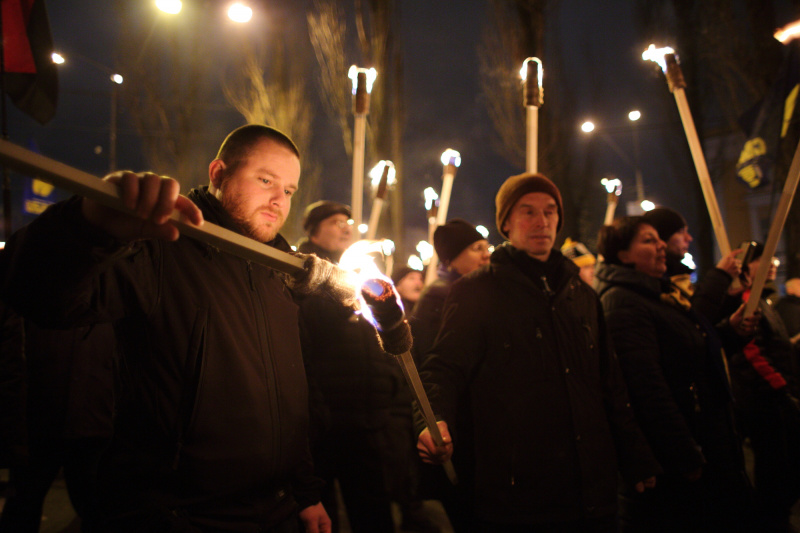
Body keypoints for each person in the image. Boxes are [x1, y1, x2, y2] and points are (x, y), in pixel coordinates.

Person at [0, 124, 330, 533]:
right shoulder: (161, 244)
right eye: (265, 180)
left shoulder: (279, 272)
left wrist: (305, 491)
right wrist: (88, 224)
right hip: (181, 516)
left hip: (274, 512)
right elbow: (35, 293)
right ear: (218, 174)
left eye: (290, 190)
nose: (279, 199)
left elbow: (285, 396)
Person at [417, 173, 659, 532]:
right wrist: (431, 418)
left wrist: (634, 454)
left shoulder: (582, 294)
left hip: (592, 490)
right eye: (527, 212)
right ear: (506, 223)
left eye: (549, 211)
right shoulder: (476, 292)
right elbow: (444, 368)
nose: (541, 221)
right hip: (519, 494)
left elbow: (610, 382)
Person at [595, 216, 754, 532]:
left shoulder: (658, 293)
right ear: (623, 254)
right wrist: (684, 453)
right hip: (679, 459)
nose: (661, 246)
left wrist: (730, 332)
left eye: (659, 239)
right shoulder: (623, 302)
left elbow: (688, 352)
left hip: (705, 437)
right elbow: (646, 386)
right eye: (648, 240)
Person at [297, 200, 414, 533]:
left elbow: (382, 337)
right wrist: (343, 300)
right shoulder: (301, 272)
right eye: (335, 221)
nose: (345, 226)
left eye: (348, 220)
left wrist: (390, 384)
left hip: (367, 418)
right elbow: (309, 332)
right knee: (323, 516)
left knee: (373, 510)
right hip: (324, 420)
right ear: (314, 230)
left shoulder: (362, 274)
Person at [725, 243, 800, 530]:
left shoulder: (765, 301)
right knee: (775, 469)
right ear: (745, 268)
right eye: (762, 261)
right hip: (764, 400)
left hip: (776, 396)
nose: (772, 265)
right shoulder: (746, 301)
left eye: (773, 261)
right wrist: (781, 389)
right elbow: (751, 352)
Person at [409, 218, 490, 363]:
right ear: (452, 259)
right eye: (478, 249)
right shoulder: (439, 296)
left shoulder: (480, 291)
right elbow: (431, 355)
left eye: (487, 248)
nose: (487, 255)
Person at [642, 206, 741, 322]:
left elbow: (708, 326)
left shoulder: (680, 277)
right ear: (661, 237)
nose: (689, 238)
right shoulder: (657, 282)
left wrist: (730, 297)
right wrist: (719, 276)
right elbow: (694, 320)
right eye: (680, 232)